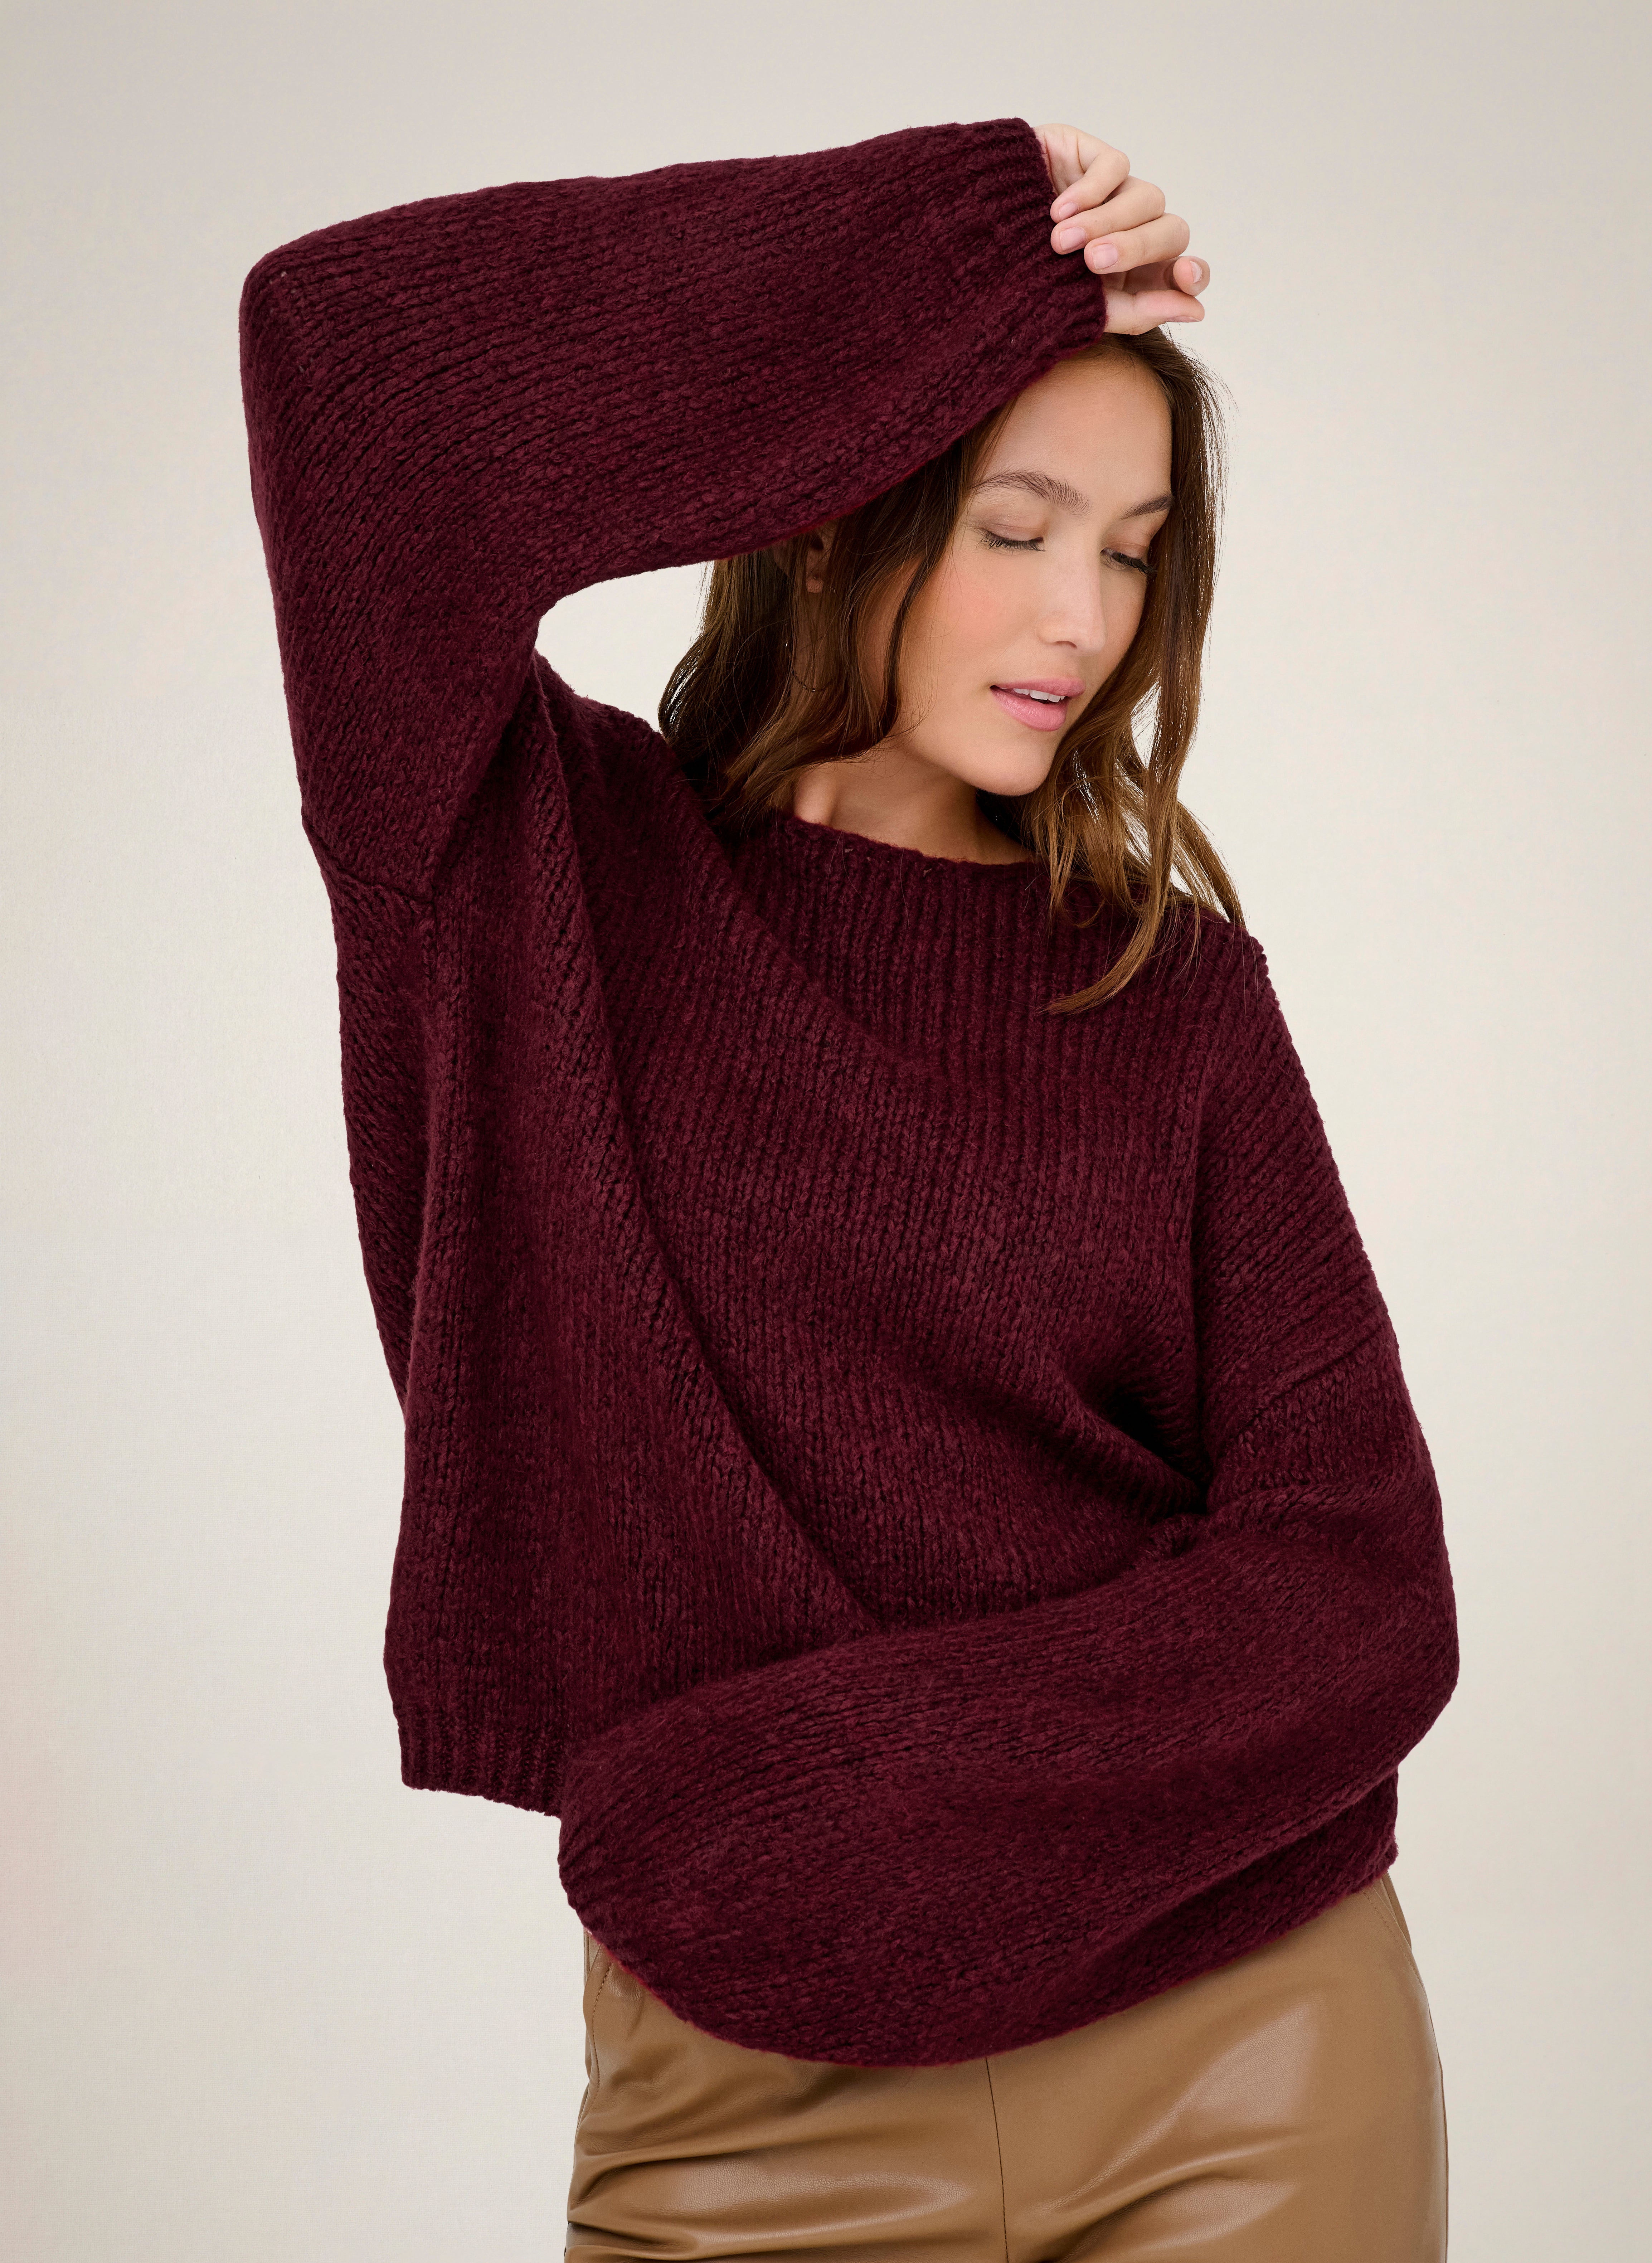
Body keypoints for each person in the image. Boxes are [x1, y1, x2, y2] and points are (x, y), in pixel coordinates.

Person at [239, 115, 1459, 2260]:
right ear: (828, 513)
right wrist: (951, 246)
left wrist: (818, 1800)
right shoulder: (532, 866)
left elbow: (1356, 1576)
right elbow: (345, 365)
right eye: (1015, 525)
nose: (1081, 618)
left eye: (1133, 549)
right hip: (744, 2081)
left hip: (1242, 2038)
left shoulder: (1168, 993)